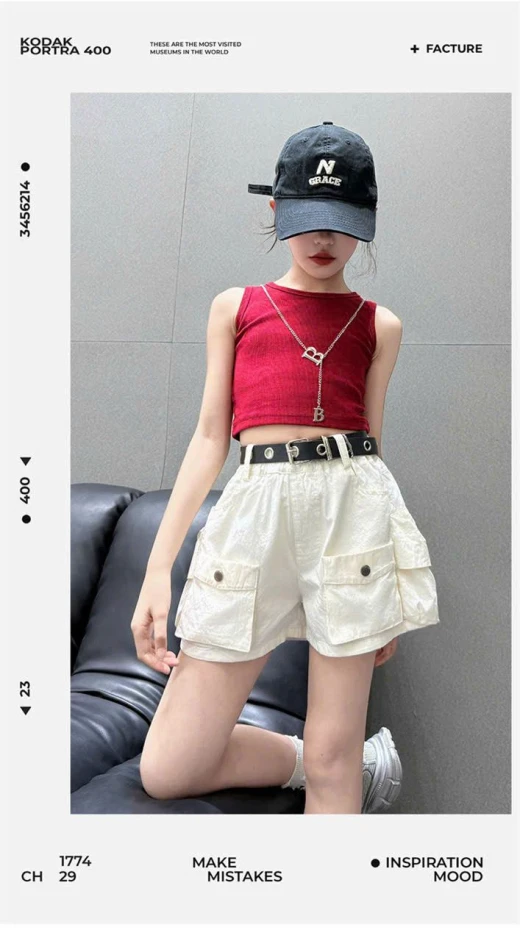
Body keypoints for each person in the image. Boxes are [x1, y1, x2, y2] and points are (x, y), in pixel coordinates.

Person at [133, 121, 440, 814]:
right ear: (275, 210)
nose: (323, 238)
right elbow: (209, 438)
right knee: (169, 768)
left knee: (336, 762)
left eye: (341, 222)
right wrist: (157, 571)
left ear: (366, 222)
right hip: (254, 514)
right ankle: (327, 762)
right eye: (307, 218)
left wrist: (386, 594)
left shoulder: (380, 325)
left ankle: (337, 781)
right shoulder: (236, 308)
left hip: (351, 521)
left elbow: (371, 450)